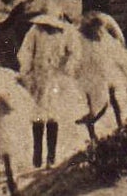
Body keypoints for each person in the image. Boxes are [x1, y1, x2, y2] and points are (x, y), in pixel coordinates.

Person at [18, 10, 80, 169]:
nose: (49, 28)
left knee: (53, 116)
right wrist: (26, 68)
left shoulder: (67, 33)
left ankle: (51, 156)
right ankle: (37, 153)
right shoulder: (35, 32)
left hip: (56, 79)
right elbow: (26, 51)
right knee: (37, 115)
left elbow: (74, 53)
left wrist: (68, 66)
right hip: (38, 77)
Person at [73, 12, 127, 142]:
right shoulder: (83, 40)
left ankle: (120, 126)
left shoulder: (106, 39)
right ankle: (91, 130)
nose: (99, 34)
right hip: (92, 76)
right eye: (96, 31)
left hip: (108, 73)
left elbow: (120, 47)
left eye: (100, 31)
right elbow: (78, 59)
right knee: (97, 105)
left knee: (114, 98)